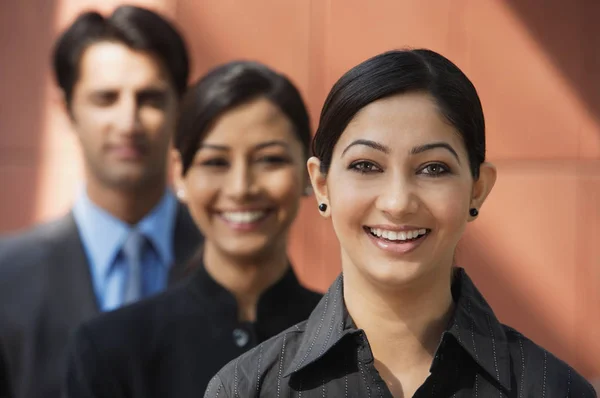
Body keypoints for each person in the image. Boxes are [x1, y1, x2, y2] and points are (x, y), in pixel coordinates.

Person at [204, 49, 598, 397]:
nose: (397, 203)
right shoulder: (247, 388)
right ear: (321, 185)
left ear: (478, 189)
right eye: (366, 166)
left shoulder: (551, 389)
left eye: (432, 168)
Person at [63, 61, 323, 397]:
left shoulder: (355, 342)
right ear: (180, 174)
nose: (241, 187)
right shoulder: (108, 350)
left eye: (270, 159)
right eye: (215, 162)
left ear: (308, 174)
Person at [0, 6, 202, 398]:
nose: (128, 122)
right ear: (67, 110)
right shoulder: (6, 278)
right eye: (105, 98)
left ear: (181, 108)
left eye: (150, 98)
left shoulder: (233, 264)